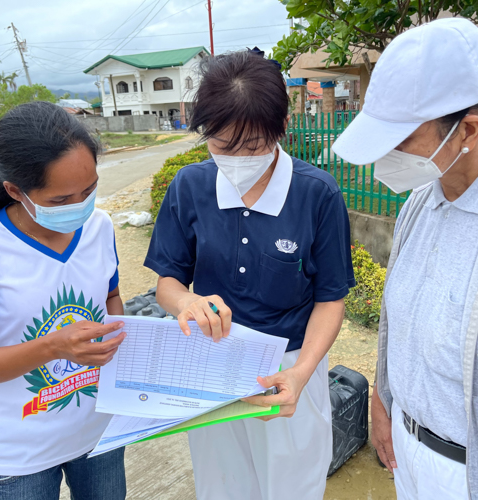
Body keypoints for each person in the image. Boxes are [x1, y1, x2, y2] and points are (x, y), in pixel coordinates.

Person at [332, 18, 478, 500]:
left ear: (467, 129)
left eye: (401, 139)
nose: (385, 156)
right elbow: (399, 322)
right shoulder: (424, 199)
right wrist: (385, 403)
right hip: (410, 450)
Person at [144, 50, 355, 500]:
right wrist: (186, 302)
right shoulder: (190, 186)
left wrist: (301, 372)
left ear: (281, 129)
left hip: (287, 369)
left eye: (254, 146)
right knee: (222, 484)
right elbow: (168, 281)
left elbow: (330, 297)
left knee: (290, 485)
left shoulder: (317, 194)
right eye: (222, 145)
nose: (238, 157)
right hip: (213, 363)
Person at [0, 101, 128, 500]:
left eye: (89, 190)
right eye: (60, 200)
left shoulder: (99, 227)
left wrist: (115, 334)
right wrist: (53, 346)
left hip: (99, 434)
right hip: (19, 456)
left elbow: (111, 297)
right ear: (15, 190)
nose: (80, 207)